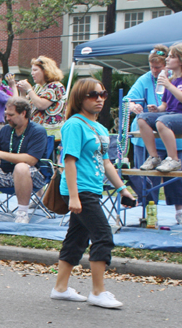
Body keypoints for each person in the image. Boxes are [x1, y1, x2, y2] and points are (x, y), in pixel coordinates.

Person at [52, 79, 135, 309]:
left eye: (103, 94)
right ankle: (98, 292)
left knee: (77, 239)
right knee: (103, 235)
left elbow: (106, 163)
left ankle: (60, 289)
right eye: (93, 95)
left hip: (93, 189)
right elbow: (69, 161)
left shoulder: (99, 128)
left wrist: (122, 189)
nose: (99, 99)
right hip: (81, 190)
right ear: (80, 98)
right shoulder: (73, 125)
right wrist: (74, 196)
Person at [124, 45, 182, 222]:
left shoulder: (181, 80)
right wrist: (133, 106)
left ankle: (179, 210)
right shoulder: (145, 80)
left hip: (175, 137)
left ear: (168, 65)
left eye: (158, 67)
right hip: (149, 139)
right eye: (151, 67)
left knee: (180, 175)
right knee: (145, 177)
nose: (154, 71)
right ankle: (149, 212)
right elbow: (128, 100)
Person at [137, 42, 182, 177]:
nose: (167, 59)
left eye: (172, 56)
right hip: (171, 115)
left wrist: (168, 85)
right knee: (142, 118)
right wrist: (156, 109)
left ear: (181, 60)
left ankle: (173, 159)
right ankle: (154, 157)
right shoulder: (171, 80)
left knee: (163, 121)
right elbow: (164, 106)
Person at [12, 56, 66, 140]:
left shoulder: (55, 86)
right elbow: (25, 107)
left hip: (51, 135)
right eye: (32, 70)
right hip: (36, 133)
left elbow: (41, 105)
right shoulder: (36, 87)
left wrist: (29, 89)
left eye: (35, 70)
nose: (32, 73)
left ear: (46, 71)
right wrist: (22, 92)